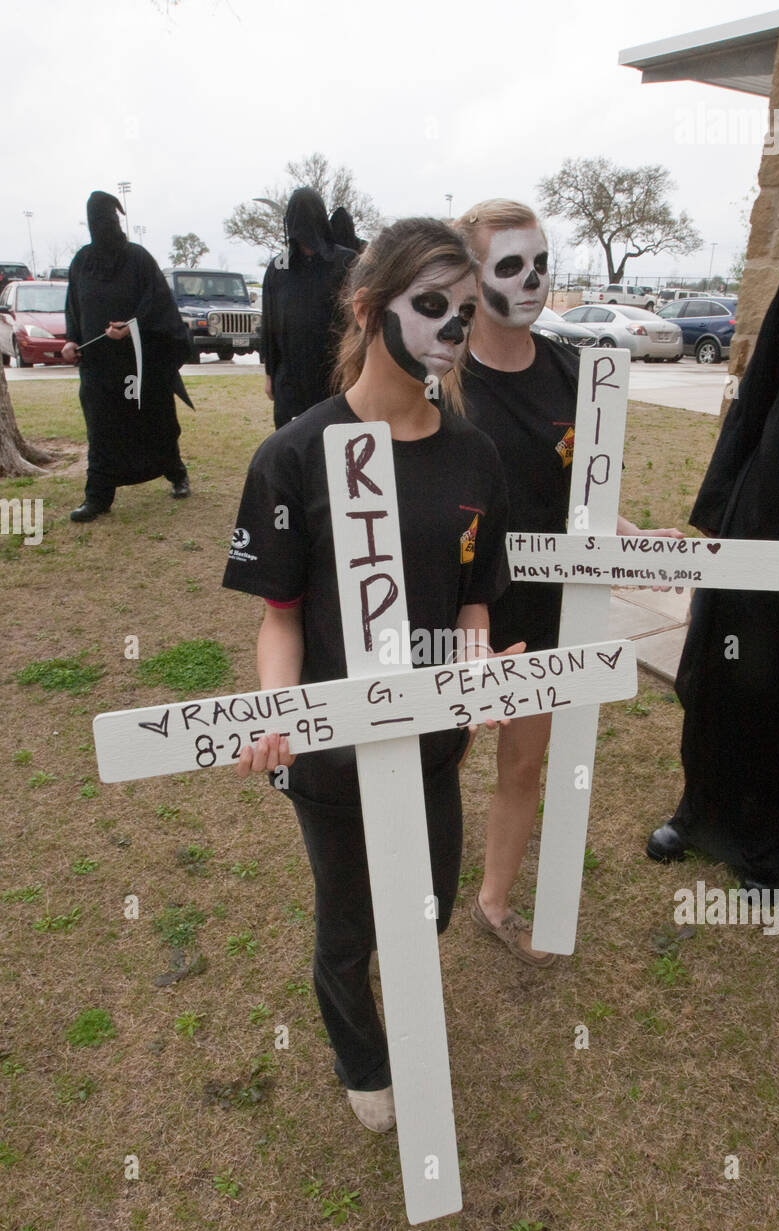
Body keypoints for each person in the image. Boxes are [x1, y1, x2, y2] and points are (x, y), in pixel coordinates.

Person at [223, 218, 510, 1132]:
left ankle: (412, 1024)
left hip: (431, 748)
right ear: (365, 307)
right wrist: (276, 709)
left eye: (466, 311)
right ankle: (362, 1057)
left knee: (424, 909)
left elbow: (473, 599)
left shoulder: (475, 455)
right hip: (334, 761)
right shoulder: (292, 457)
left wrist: (475, 674)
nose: (452, 329)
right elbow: (280, 618)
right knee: (347, 930)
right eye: (430, 306)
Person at [648, 54, 779, 893]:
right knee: (732, 661)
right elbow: (765, 374)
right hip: (775, 500)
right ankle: (705, 809)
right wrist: (723, 500)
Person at [454, 199, 683, 965]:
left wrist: (634, 537)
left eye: (541, 262)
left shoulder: (579, 373)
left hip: (552, 611)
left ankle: (493, 900)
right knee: (435, 755)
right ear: (472, 276)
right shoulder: (442, 379)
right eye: (509, 265)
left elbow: (589, 496)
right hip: (458, 614)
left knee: (523, 763)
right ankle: (415, 872)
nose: (530, 279)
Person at [62, 191, 193, 521]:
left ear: (118, 222)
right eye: (97, 222)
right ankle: (98, 497)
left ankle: (176, 473)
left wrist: (130, 327)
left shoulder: (138, 259)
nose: (104, 228)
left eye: (109, 221)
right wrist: (70, 341)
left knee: (156, 424)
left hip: (139, 363)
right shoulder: (81, 262)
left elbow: (159, 305)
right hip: (97, 370)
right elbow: (73, 309)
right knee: (100, 430)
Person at [260, 188, 356, 428]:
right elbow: (269, 324)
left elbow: (360, 322)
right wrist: (270, 373)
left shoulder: (346, 263)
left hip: (335, 376)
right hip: (291, 379)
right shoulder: (279, 268)